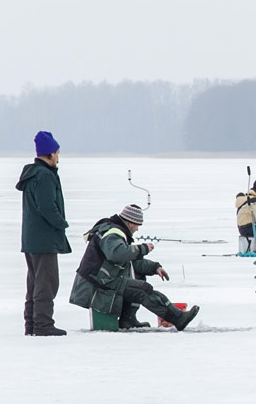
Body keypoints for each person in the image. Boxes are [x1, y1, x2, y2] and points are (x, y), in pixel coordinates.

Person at [69, 205, 201, 331]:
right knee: (142, 289)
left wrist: (155, 268)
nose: (137, 229)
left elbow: (130, 261)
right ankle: (178, 318)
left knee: (138, 276)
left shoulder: (113, 230)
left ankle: (128, 320)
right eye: (137, 225)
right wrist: (143, 248)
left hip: (98, 281)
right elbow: (117, 254)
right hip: (97, 284)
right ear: (131, 222)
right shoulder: (113, 233)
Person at [18, 131, 71, 336]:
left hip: (32, 238)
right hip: (44, 238)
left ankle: (31, 324)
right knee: (46, 283)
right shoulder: (45, 175)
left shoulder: (33, 174)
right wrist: (61, 224)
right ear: (49, 154)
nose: (58, 157)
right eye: (57, 153)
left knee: (34, 282)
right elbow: (47, 207)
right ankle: (43, 324)